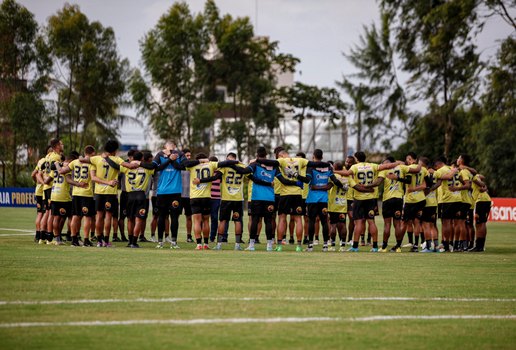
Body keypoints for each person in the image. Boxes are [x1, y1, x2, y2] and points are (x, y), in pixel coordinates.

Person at [333, 151, 400, 252]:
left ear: (356, 159)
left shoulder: (354, 167)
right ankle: (375, 247)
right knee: (371, 222)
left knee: (358, 223)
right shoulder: (372, 165)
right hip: (371, 199)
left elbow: (347, 173)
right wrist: (396, 163)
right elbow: (386, 166)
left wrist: (334, 171)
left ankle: (355, 247)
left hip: (359, 199)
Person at [84, 140, 140, 247]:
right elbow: (129, 166)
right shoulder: (117, 159)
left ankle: (99, 241)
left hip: (99, 192)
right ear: (114, 150)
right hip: (110, 192)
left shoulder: (96, 158)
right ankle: (106, 240)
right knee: (108, 216)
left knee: (99, 216)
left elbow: (87, 167)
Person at [184, 154, 239, 250]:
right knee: (206, 221)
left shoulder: (191, 166)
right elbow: (225, 163)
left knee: (197, 221)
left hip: (195, 197)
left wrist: (199, 161)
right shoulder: (211, 164)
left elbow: (184, 163)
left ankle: (198, 245)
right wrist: (236, 162)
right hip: (207, 197)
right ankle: (206, 244)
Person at [300, 149, 345, 252]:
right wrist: (343, 186)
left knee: (311, 221)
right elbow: (335, 180)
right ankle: (325, 245)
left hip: (312, 199)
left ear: (313, 156)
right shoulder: (328, 166)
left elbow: (307, 180)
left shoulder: (311, 166)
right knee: (324, 221)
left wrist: (295, 176)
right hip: (324, 199)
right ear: (322, 156)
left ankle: (310, 246)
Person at [108, 151, 154, 248]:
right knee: (139, 220)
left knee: (130, 219)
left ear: (132, 158)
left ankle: (129, 242)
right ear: (142, 159)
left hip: (129, 195)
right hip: (141, 195)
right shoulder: (147, 168)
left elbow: (115, 166)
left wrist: (107, 158)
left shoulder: (127, 167)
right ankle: (134, 241)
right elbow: (155, 167)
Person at [57, 145, 96, 247]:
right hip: (86, 193)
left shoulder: (74, 162)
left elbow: (61, 172)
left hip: (76, 193)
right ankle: (86, 240)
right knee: (87, 217)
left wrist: (57, 164)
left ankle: (74, 239)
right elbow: (93, 177)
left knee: (75, 216)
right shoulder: (91, 163)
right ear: (92, 153)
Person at [45, 153, 83, 245]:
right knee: (72, 217)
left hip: (54, 194)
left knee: (57, 217)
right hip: (64, 195)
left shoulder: (55, 168)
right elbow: (68, 180)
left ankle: (57, 238)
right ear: (71, 160)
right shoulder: (67, 167)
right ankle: (74, 236)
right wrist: (78, 184)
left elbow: (46, 181)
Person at [433, 157, 461, 252]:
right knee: (453, 223)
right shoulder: (453, 169)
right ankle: (451, 244)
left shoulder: (441, 171)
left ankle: (446, 244)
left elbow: (443, 179)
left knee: (446, 223)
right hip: (457, 198)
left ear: (438, 165)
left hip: (447, 199)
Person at [41, 139, 64, 243]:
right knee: (52, 214)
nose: (63, 145)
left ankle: (43, 237)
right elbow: (56, 172)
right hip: (51, 186)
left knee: (47, 212)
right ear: (57, 146)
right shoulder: (56, 157)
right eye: (61, 144)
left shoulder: (48, 156)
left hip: (46, 187)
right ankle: (50, 238)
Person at [327, 162, 350, 252]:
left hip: (333, 204)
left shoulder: (333, 176)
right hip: (343, 204)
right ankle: (343, 245)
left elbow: (329, 186)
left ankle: (332, 245)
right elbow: (354, 186)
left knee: (333, 225)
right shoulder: (346, 177)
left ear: (335, 167)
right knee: (343, 224)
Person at [114, 149, 136, 242]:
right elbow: (117, 175)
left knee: (132, 217)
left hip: (134, 193)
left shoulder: (138, 165)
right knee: (123, 216)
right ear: (130, 157)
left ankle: (131, 236)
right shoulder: (123, 165)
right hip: (125, 193)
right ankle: (123, 235)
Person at [32, 146, 52, 244]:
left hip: (38, 190)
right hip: (45, 189)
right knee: (46, 213)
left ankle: (38, 235)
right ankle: (46, 236)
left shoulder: (41, 161)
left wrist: (38, 182)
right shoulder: (49, 161)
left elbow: (34, 174)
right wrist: (44, 183)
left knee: (40, 213)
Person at [470, 174, 491, 252]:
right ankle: (481, 246)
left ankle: (478, 246)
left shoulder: (471, 175)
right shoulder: (473, 175)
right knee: (482, 223)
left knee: (479, 223)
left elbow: (481, 180)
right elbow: (482, 177)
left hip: (481, 200)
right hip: (485, 199)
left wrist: (483, 185)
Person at [180, 148, 193, 243]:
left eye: (190, 155)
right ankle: (173, 237)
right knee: (174, 216)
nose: (189, 157)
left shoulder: (192, 167)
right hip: (178, 195)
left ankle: (189, 236)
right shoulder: (178, 166)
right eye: (187, 156)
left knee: (189, 217)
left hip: (189, 196)